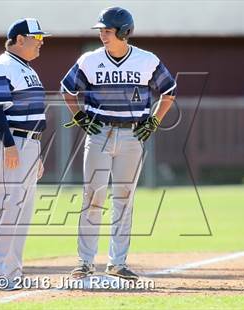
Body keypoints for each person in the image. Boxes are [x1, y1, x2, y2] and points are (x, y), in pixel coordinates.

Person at [61, 7, 176, 280]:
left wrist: (154, 121)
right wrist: (79, 116)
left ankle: (118, 262)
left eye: (107, 30)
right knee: (93, 197)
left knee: (124, 199)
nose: (102, 35)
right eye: (100, 30)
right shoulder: (89, 60)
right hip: (99, 134)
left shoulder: (147, 61)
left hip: (132, 136)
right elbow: (67, 90)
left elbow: (169, 93)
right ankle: (85, 261)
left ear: (124, 32)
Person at [0, 18, 50, 290]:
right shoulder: (1, 66)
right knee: (8, 207)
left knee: (22, 210)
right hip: (10, 143)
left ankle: (12, 271)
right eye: (38, 38)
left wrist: (35, 151)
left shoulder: (26, 69)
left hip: (29, 144)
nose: (41, 43)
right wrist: (9, 144)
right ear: (20, 39)